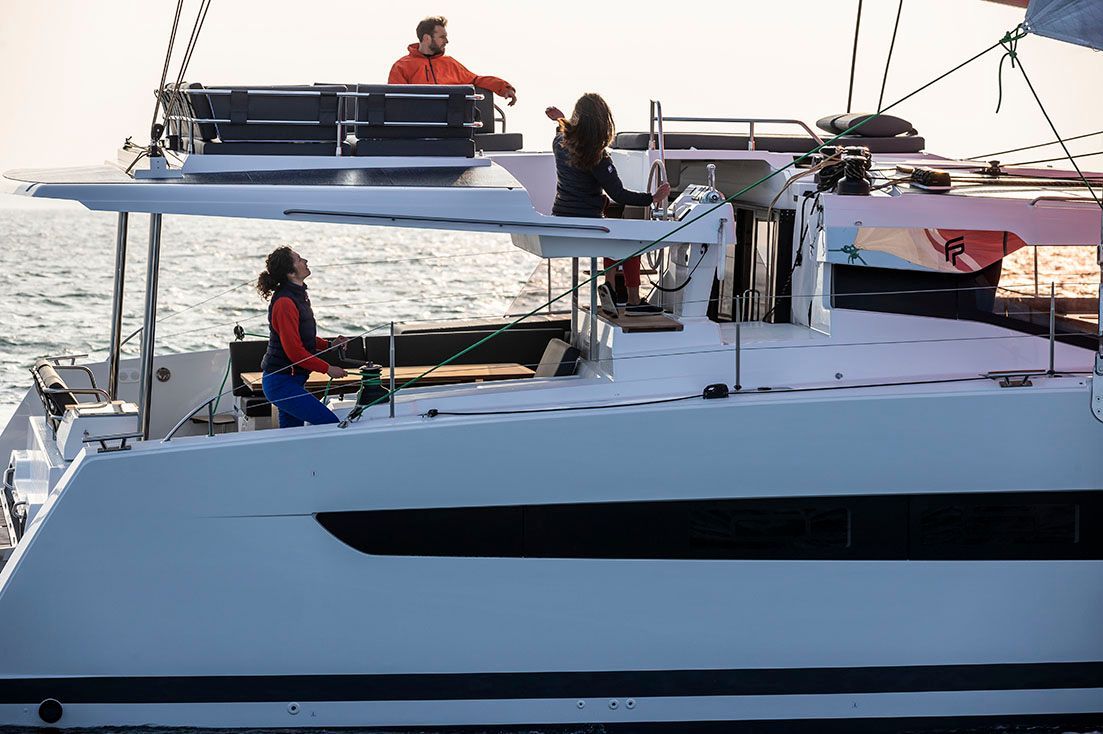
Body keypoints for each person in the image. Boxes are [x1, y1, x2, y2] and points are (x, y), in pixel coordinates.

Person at [546, 93, 670, 312]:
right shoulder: (597, 157)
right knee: (632, 241)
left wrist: (560, 120)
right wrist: (653, 198)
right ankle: (632, 301)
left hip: (562, 217)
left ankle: (610, 288)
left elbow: (564, 134)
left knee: (612, 236)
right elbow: (619, 194)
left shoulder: (559, 143)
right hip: (589, 222)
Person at [256, 246, 350, 428]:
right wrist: (328, 368)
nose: (305, 261)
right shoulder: (285, 302)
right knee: (330, 424)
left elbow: (303, 337)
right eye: (299, 260)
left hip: (293, 381)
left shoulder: (299, 295)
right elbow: (294, 352)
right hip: (281, 383)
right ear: (291, 273)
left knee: (293, 435)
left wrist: (330, 344)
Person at [389, 16, 518, 106]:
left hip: (451, 127)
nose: (446, 41)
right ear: (427, 38)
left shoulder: (450, 64)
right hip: (418, 127)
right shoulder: (402, 66)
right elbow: (395, 100)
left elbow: (476, 80)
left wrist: (504, 88)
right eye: (442, 37)